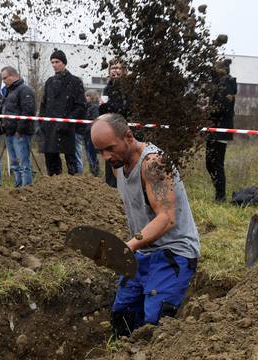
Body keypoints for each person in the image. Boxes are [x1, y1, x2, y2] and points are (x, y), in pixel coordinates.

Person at [90, 113, 200, 338]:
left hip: (174, 253)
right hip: (144, 252)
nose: (106, 156)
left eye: (110, 148)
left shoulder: (153, 163)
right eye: (100, 151)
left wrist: (128, 246)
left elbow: (166, 218)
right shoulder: (118, 163)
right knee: (123, 317)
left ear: (128, 137)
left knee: (154, 324)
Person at [37, 50, 86, 176]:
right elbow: (43, 104)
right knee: (51, 162)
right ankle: (54, 186)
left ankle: (75, 186)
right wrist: (41, 121)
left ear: (63, 63)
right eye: (52, 62)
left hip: (68, 127)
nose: (54, 65)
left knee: (72, 161)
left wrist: (68, 121)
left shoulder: (75, 82)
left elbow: (81, 106)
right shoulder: (49, 82)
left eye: (57, 62)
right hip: (49, 126)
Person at [206, 59, 237, 202]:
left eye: (216, 67)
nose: (213, 69)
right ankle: (218, 193)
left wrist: (206, 111)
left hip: (221, 129)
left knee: (217, 163)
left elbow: (222, 107)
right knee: (209, 163)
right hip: (213, 128)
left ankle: (220, 197)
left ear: (223, 70)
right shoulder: (217, 83)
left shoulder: (227, 84)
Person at [1, 66, 35, 187]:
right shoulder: (8, 91)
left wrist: (19, 130)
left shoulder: (25, 90)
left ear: (13, 76)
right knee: (14, 164)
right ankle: (18, 186)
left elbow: (28, 111)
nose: (3, 81)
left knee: (23, 164)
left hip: (20, 133)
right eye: (2, 79)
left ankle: (27, 188)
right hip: (9, 132)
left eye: (5, 78)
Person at [99, 58, 131, 188]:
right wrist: (101, 106)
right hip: (110, 130)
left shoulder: (129, 87)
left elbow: (126, 107)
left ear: (124, 71)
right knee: (110, 161)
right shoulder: (107, 88)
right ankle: (111, 188)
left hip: (125, 131)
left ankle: (126, 188)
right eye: (113, 68)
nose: (115, 71)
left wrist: (109, 105)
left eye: (118, 68)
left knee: (125, 162)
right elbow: (102, 111)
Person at [81, 89, 100, 176]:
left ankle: (95, 172)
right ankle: (93, 171)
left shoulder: (94, 107)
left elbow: (94, 120)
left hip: (91, 134)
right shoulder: (86, 107)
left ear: (92, 97)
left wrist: (87, 129)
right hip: (86, 134)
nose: (86, 98)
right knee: (88, 154)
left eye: (88, 96)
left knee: (91, 154)